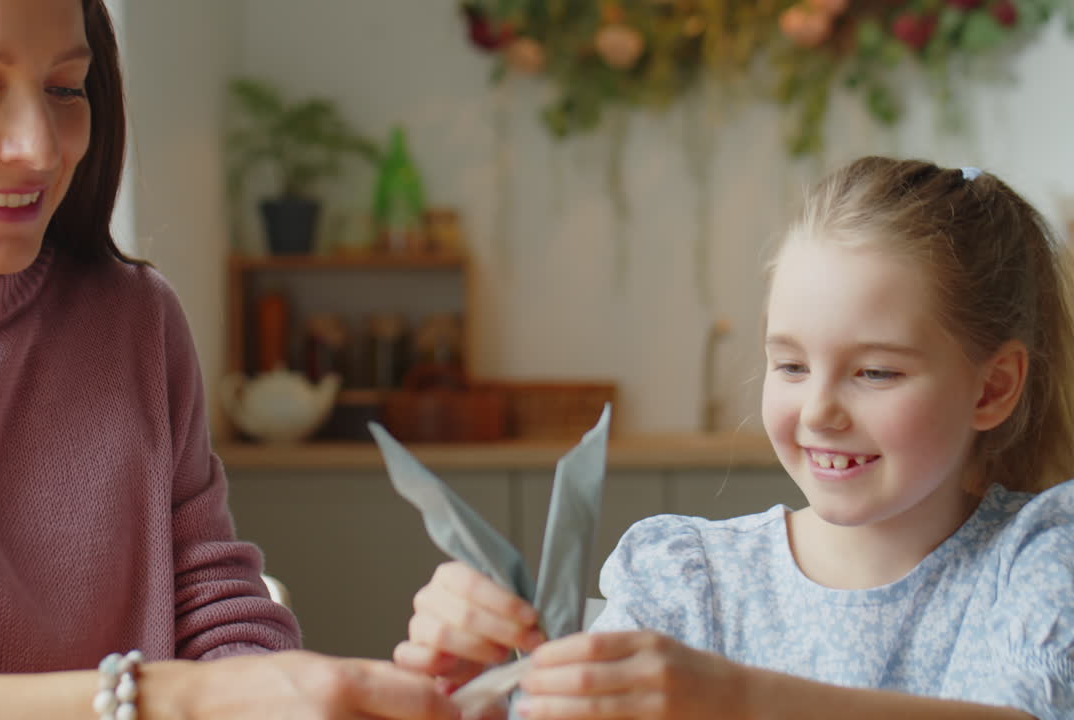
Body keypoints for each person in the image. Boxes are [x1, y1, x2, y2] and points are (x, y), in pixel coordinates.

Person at [0, 1, 459, 718]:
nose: (41, 149)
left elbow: (210, 603)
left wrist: (269, 689)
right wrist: (165, 700)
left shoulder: (134, 319)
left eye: (66, 90)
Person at [398, 157, 1074, 720]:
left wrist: (738, 698)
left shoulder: (1038, 559)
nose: (818, 411)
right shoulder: (688, 580)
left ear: (992, 388)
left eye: (874, 371)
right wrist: (471, 697)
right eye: (790, 365)